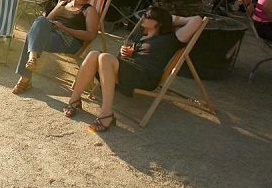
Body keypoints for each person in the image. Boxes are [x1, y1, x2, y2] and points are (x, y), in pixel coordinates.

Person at [63, 9, 202, 132]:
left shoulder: (172, 38)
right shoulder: (142, 35)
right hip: (129, 69)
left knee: (105, 57)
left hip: (145, 75)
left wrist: (171, 20)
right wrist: (129, 53)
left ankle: (106, 114)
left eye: (147, 16)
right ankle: (74, 100)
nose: (143, 18)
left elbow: (197, 20)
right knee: (94, 54)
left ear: (158, 22)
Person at [12, 0, 101, 94]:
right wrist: (52, 26)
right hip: (53, 35)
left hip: (70, 42)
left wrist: (65, 28)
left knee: (31, 36)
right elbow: (46, 21)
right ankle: (32, 59)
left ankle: (25, 78)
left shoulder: (89, 10)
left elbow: (91, 35)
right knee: (40, 21)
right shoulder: (62, 4)